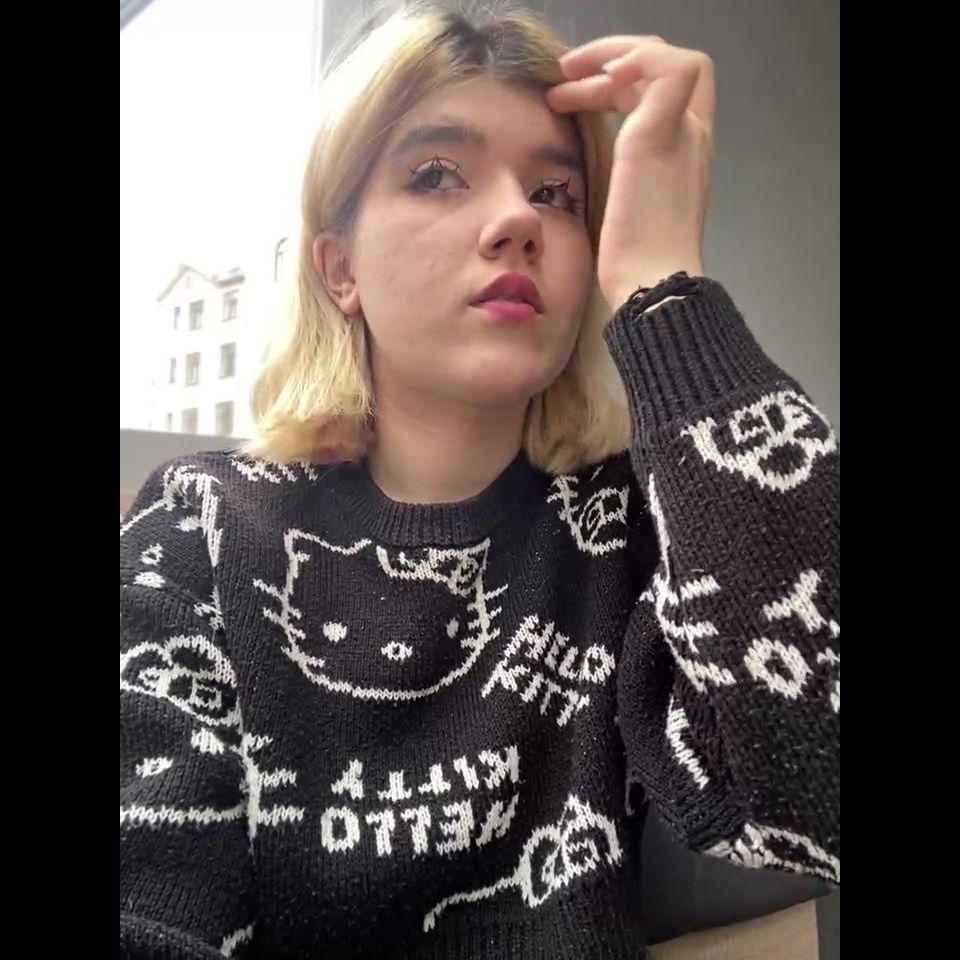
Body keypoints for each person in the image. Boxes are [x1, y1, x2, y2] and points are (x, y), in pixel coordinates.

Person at [119, 4, 840, 957]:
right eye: (435, 174)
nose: (516, 220)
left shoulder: (638, 528)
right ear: (339, 268)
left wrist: (666, 290)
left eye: (556, 193)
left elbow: (814, 798)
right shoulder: (202, 525)